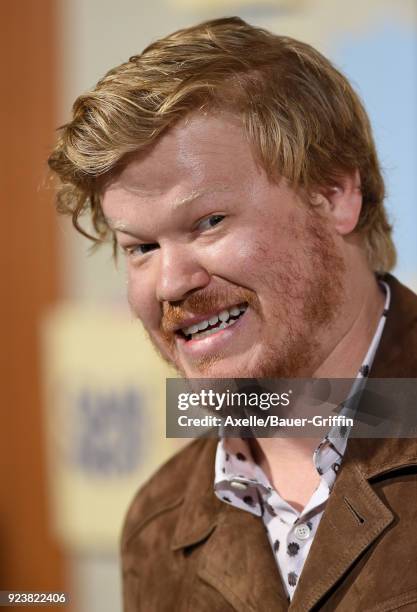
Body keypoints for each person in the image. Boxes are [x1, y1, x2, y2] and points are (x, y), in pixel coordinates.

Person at [48, 17, 417, 611]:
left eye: (209, 222)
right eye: (141, 248)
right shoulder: (158, 526)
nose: (171, 283)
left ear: (334, 193)